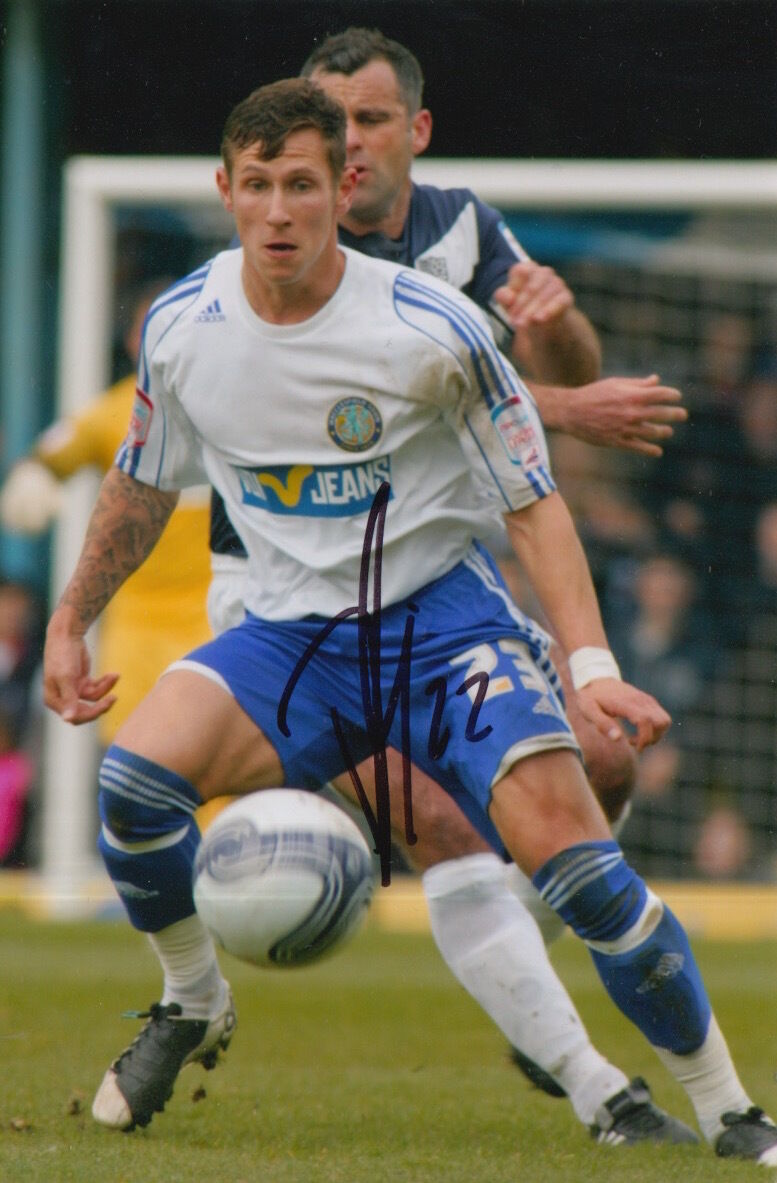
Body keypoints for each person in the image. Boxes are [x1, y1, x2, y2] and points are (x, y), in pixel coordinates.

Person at [42, 81, 777, 1165]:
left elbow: (533, 503)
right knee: (135, 788)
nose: (281, 211)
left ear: (341, 192)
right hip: (287, 637)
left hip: (440, 627)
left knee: (582, 869)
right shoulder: (182, 331)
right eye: (259, 187)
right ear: (226, 194)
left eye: (302, 184)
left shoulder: (430, 326)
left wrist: (591, 663)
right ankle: (193, 998)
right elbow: (141, 485)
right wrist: (69, 623)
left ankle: (732, 1115)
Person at [202, 26, 689, 1124]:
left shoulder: (462, 227)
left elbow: (562, 368)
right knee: (451, 829)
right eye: (333, 126)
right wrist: (568, 408)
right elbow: (380, 417)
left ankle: (512, 963)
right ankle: (597, 1088)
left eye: (369, 121)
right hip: (293, 600)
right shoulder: (284, 257)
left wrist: (558, 333)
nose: (349, 145)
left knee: (600, 762)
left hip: (442, 586)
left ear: (413, 131)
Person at [0, 281, 213, 745]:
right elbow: (55, 452)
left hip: (216, 612)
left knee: (212, 752)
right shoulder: (118, 410)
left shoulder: (228, 406)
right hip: (135, 617)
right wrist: (33, 478)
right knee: (133, 751)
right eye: (151, 328)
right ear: (135, 339)